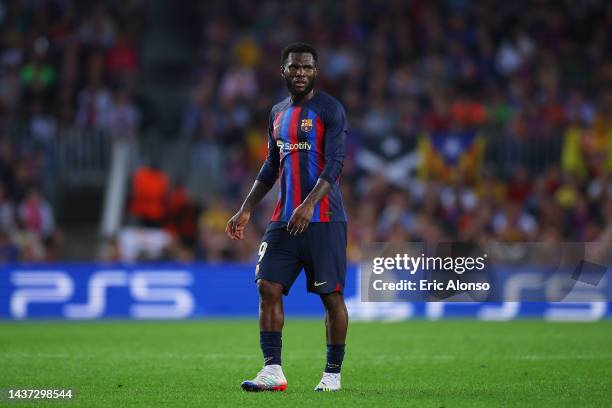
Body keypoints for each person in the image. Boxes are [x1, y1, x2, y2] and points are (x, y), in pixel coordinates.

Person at [226, 42, 349, 392]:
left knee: (331, 298)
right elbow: (270, 164)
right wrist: (246, 208)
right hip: (283, 219)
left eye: (307, 67)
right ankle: (272, 370)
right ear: (283, 71)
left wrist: (309, 204)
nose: (301, 73)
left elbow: (336, 162)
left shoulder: (330, 109)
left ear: (316, 71)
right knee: (267, 286)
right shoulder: (277, 112)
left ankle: (332, 374)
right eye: (294, 67)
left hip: (324, 218)